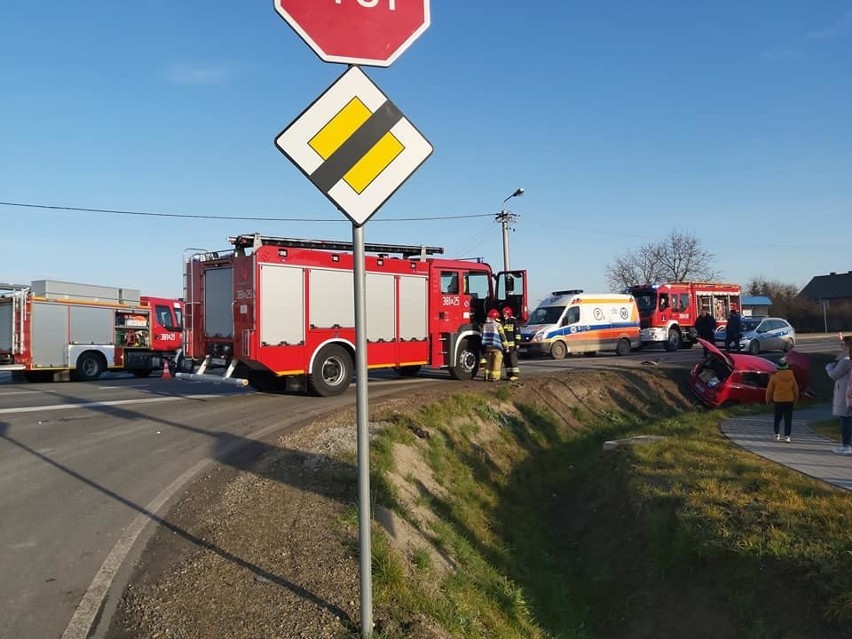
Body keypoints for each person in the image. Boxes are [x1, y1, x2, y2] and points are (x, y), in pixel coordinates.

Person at [825, 336, 852, 455]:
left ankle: (846, 445)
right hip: (848, 392)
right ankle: (846, 444)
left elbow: (834, 374)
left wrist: (829, 367)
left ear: (848, 346)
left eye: (843, 345)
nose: (841, 347)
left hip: (846, 393)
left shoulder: (846, 360)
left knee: (846, 420)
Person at [765, 358, 799, 443]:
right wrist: (795, 400)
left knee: (777, 418)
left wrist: (768, 400)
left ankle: (777, 435)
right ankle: (787, 436)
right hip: (789, 400)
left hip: (778, 401)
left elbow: (769, 391)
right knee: (788, 419)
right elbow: (796, 390)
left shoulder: (774, 377)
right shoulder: (792, 377)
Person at [480, 308, 507, 382]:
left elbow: (482, 335)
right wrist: (506, 346)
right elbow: (502, 336)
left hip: (488, 346)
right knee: (496, 362)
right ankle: (494, 377)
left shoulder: (485, 325)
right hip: (496, 346)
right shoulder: (498, 325)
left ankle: (486, 376)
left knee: (489, 362)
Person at [501, 306, 521, 381]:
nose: (504, 315)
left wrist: (517, 343)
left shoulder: (513, 321)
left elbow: (517, 333)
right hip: (505, 345)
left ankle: (515, 375)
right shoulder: (504, 321)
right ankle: (508, 374)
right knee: (506, 360)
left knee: (512, 359)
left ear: (509, 313)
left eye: (505, 314)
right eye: (503, 314)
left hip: (512, 344)